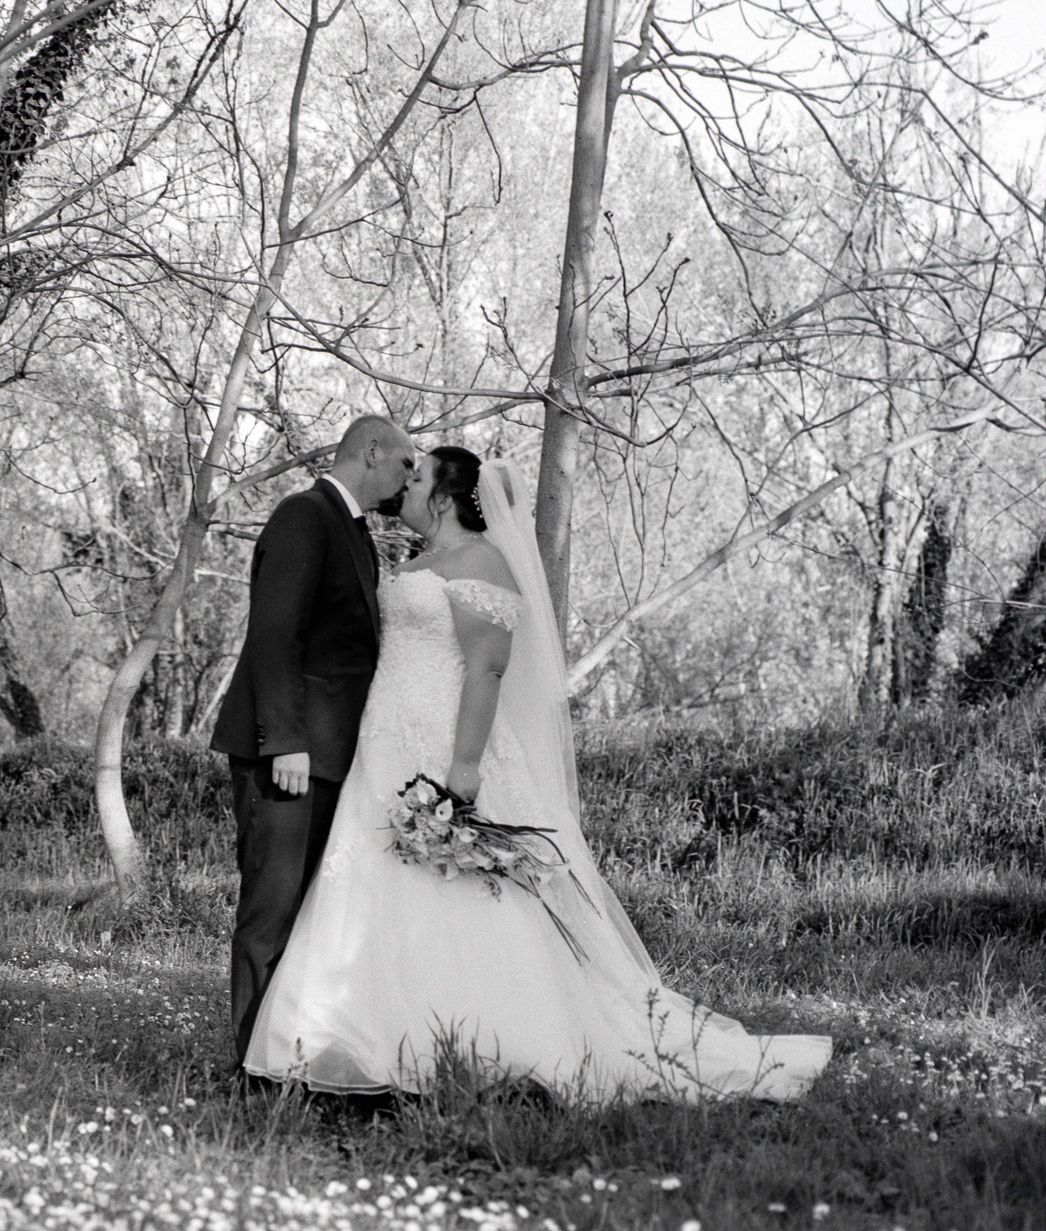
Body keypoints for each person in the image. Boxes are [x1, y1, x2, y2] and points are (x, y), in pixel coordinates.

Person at [243, 446, 833, 1102]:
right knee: (372, 881)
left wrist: (464, 765)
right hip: (384, 744)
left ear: (444, 496)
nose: (405, 485)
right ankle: (361, 1034)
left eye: (418, 477)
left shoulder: (483, 562)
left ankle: (479, 1038)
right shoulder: (414, 563)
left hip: (443, 744)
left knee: (458, 893)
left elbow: (487, 668)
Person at [210, 415, 418, 1069]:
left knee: (307, 917)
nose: (410, 477)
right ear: (372, 451)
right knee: (271, 913)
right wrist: (285, 742)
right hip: (290, 757)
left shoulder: (354, 528)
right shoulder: (304, 514)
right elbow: (276, 634)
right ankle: (252, 1068)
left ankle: (288, 1057)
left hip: (331, 757)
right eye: (406, 463)